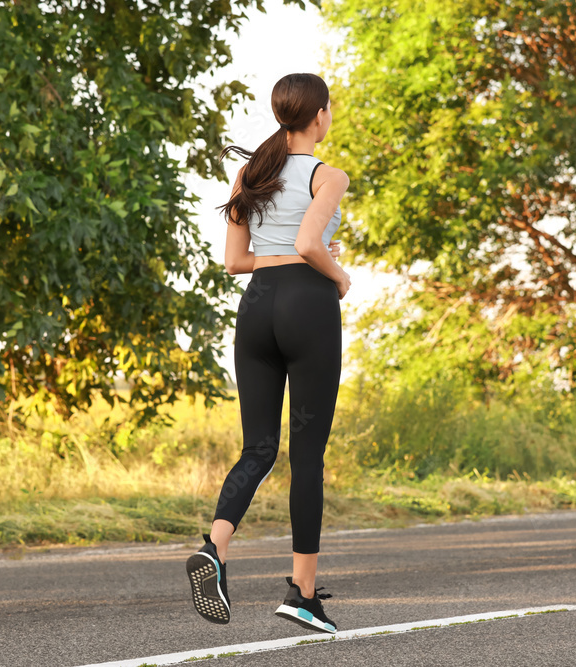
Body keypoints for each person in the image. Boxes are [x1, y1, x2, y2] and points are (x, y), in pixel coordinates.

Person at [185, 72, 350, 635]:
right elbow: (306, 245)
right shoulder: (329, 175)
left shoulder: (250, 172)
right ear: (320, 116)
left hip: (255, 310)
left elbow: (236, 261)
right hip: (307, 307)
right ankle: (302, 595)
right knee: (307, 456)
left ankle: (215, 548)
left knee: (258, 448)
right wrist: (338, 272)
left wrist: (292, 255)